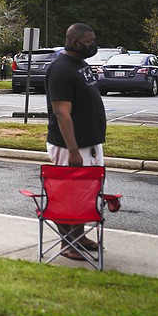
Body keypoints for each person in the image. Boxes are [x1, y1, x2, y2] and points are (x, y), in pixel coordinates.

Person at [45, 23, 105, 261]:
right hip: (70, 146)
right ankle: (68, 243)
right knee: (69, 194)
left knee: (84, 194)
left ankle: (79, 236)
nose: (92, 45)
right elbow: (62, 112)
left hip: (88, 143)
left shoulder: (80, 65)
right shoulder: (61, 69)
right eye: (89, 42)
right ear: (74, 42)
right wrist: (72, 150)